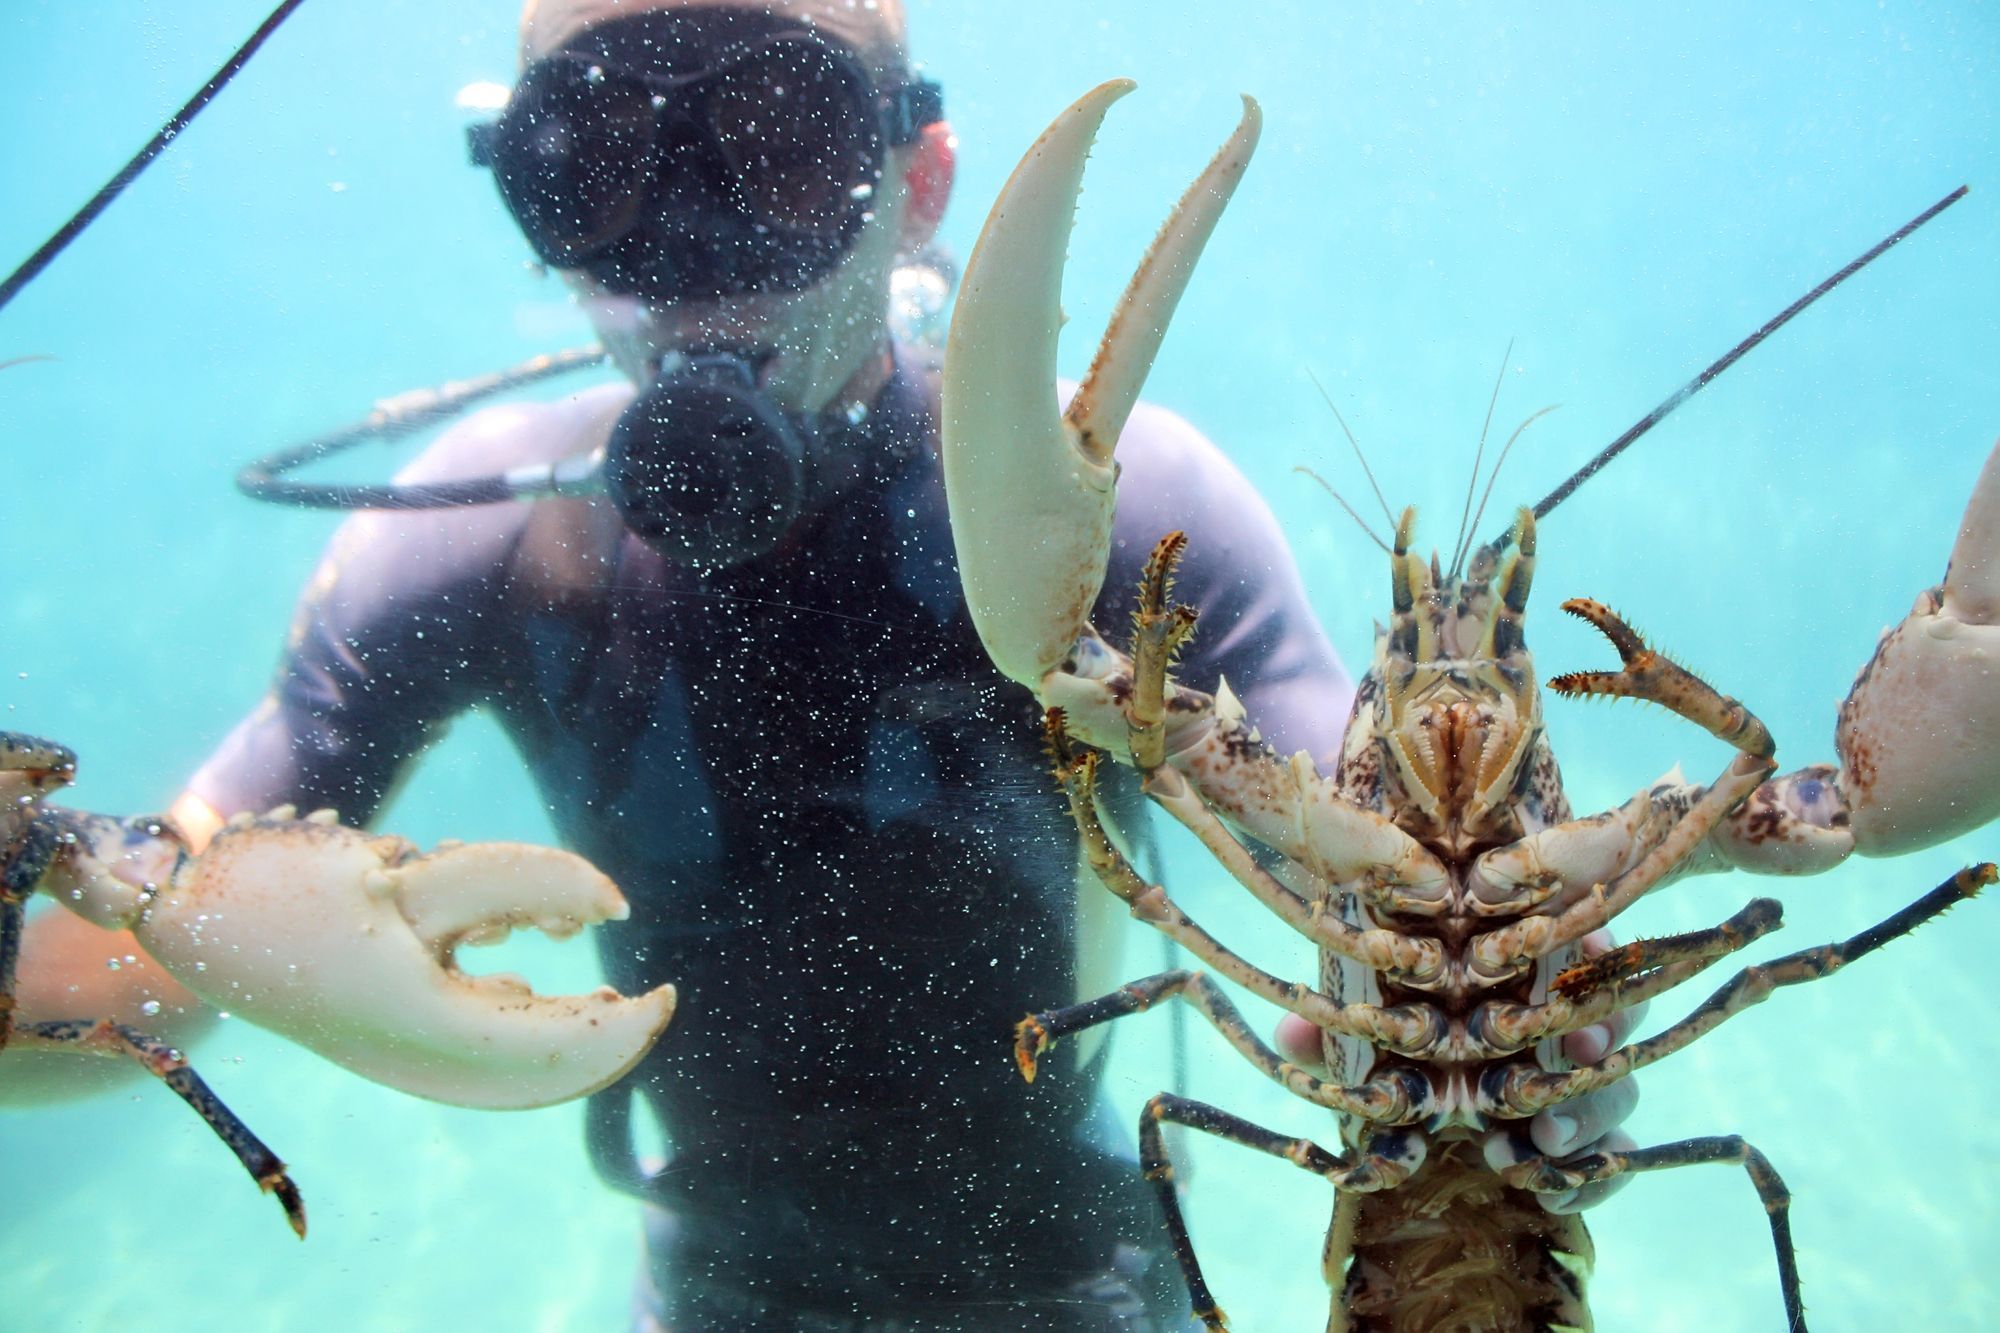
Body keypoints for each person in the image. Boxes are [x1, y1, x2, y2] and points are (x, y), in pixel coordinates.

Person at [4, 1, 1639, 1326]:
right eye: (595, 163)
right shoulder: (467, 551)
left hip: (1089, 1280)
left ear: (917, 180)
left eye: (777, 142)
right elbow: (123, 969)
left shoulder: (1131, 512)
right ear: (528, 204)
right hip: (711, 1287)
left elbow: (1399, 866)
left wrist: (1506, 1004)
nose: (695, 251)